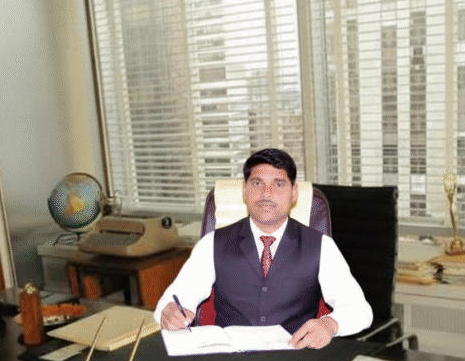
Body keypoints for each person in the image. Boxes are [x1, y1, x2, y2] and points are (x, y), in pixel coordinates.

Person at [154, 148, 372, 349]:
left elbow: (360, 310)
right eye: (257, 183)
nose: (267, 193)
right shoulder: (212, 243)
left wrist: (330, 325)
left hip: (295, 356)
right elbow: (176, 299)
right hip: (229, 358)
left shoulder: (322, 246)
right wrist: (171, 313)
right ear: (245, 191)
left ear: (294, 193)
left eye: (279, 184)